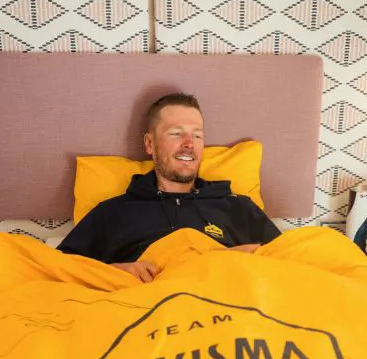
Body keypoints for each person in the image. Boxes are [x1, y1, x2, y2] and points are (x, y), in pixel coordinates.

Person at [58, 93, 281, 282]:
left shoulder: (237, 207)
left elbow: (286, 259)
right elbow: (61, 268)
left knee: (304, 241)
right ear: (149, 143)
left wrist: (247, 256)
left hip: (223, 300)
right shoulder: (112, 212)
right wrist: (115, 271)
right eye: (176, 133)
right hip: (147, 303)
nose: (189, 143)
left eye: (197, 135)